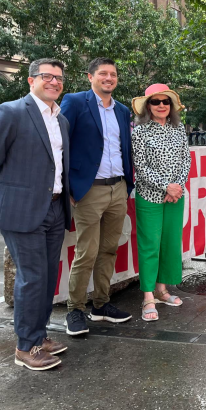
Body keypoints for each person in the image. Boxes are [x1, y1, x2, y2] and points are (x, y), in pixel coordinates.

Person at [0, 58, 71, 371]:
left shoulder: (61, 120)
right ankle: (25, 346)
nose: (54, 82)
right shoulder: (11, 111)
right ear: (31, 81)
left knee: (47, 277)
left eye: (58, 78)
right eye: (47, 76)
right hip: (21, 210)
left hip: (56, 207)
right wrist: (1, 196)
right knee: (32, 278)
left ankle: (40, 335)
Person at [61, 57, 134, 336]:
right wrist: (68, 187)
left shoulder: (122, 110)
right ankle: (75, 309)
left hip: (118, 189)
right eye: (103, 73)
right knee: (86, 252)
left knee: (108, 250)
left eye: (113, 74)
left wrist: (127, 185)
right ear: (89, 77)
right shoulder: (76, 102)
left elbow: (122, 148)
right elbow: (61, 142)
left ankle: (101, 304)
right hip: (88, 190)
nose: (109, 78)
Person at [131, 84, 191, 322]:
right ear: (148, 106)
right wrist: (166, 186)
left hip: (175, 196)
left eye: (165, 101)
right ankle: (147, 297)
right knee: (149, 246)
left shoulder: (179, 128)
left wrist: (176, 187)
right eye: (155, 102)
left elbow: (186, 159)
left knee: (169, 243)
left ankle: (162, 290)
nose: (161, 106)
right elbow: (141, 166)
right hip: (150, 196)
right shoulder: (140, 131)